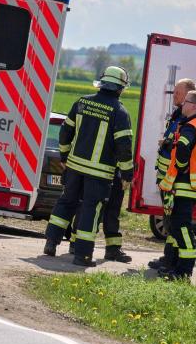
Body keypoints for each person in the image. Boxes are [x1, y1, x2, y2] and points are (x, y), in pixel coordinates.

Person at [43, 66, 135, 267]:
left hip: (74, 167)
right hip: (99, 173)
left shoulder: (82, 102)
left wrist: (64, 156)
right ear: (120, 89)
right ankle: (82, 255)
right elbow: (124, 147)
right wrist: (127, 174)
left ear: (102, 84)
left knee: (66, 202)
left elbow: (65, 132)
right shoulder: (120, 112)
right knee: (90, 210)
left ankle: (51, 243)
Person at [157, 90, 196, 280]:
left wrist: (181, 167)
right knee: (176, 225)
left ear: (194, 106)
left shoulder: (190, 127)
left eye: (186, 101)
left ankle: (184, 271)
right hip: (194, 184)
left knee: (181, 226)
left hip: (185, 184)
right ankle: (174, 266)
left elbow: (183, 147)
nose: (183, 104)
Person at [148, 78, 196, 270]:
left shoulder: (187, 120)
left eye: (178, 92)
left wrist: (167, 143)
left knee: (174, 221)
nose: (174, 94)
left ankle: (172, 262)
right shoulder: (178, 115)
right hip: (167, 178)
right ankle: (169, 259)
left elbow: (181, 148)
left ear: (188, 95)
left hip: (174, 179)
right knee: (170, 220)